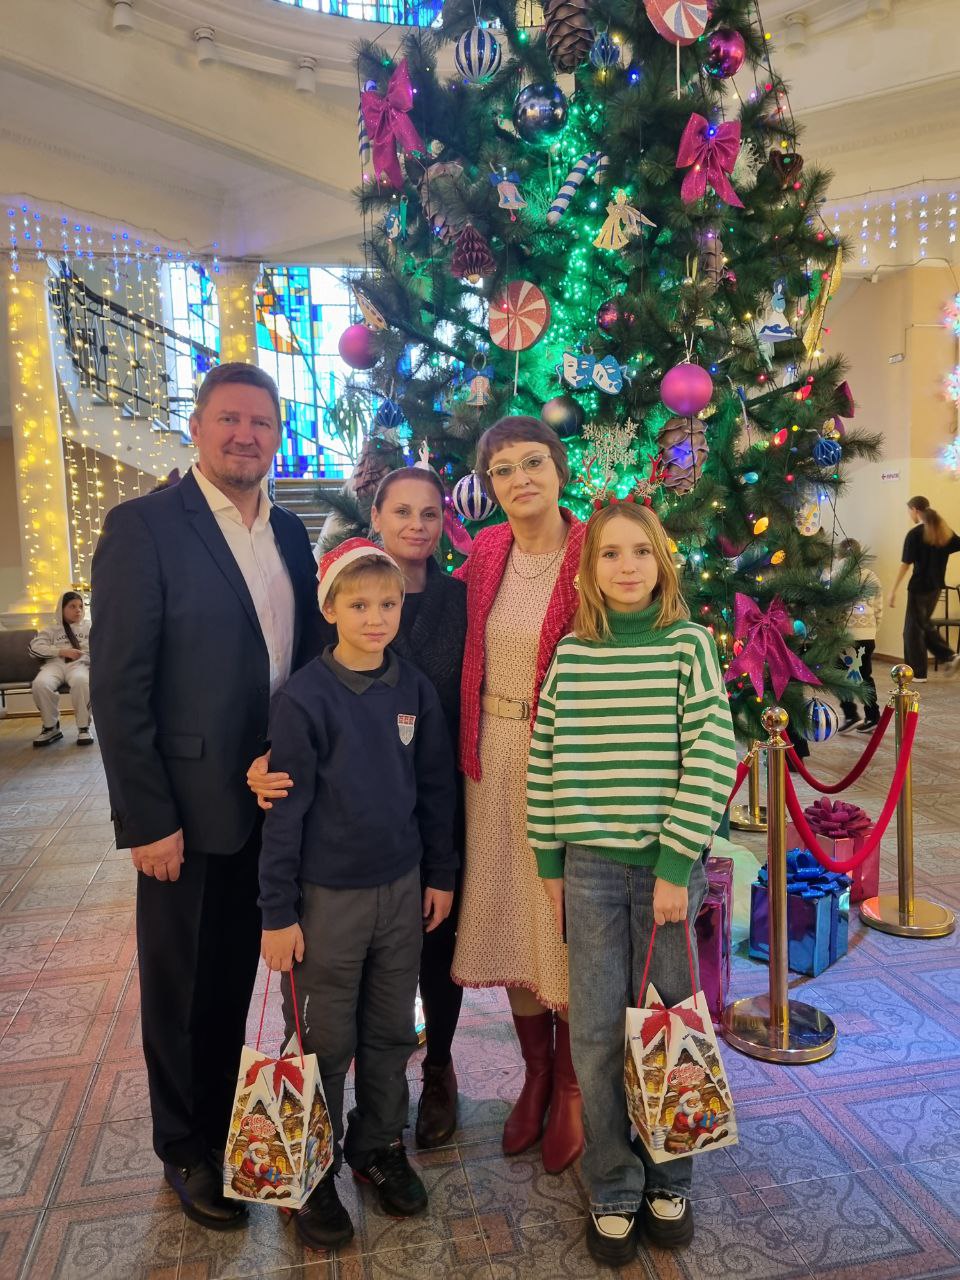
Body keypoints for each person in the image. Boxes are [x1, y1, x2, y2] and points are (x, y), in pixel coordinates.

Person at [90, 362, 321, 1231]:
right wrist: (148, 819)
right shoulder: (144, 527)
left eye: (261, 422)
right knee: (183, 988)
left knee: (233, 981)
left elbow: (302, 661)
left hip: (274, 800)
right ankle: (185, 1145)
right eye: (229, 418)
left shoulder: (290, 531)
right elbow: (119, 688)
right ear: (197, 426)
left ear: (277, 435)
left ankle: (228, 1118)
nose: (245, 435)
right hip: (186, 813)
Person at [527, 503, 736, 1265]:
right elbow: (545, 756)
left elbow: (712, 751)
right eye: (610, 553)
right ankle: (613, 1181)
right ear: (590, 570)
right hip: (587, 868)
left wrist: (676, 864)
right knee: (593, 1029)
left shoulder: (688, 646)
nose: (626, 566)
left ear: (662, 563)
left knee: (669, 1022)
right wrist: (550, 865)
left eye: (641, 552)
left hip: (662, 873)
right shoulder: (574, 654)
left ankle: (668, 1175)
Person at [248, 465, 468, 1149]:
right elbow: (288, 809)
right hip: (329, 891)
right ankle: (310, 1161)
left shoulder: (419, 683)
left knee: (391, 1027)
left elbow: (435, 786)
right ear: (332, 610)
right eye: (360, 606)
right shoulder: (306, 696)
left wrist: (440, 870)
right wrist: (277, 910)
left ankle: (379, 1144)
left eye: (388, 606)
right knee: (323, 1032)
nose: (376, 618)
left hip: (403, 880)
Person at [452, 416, 586, 1175]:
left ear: (560, 469)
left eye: (533, 462)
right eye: (502, 470)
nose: (519, 479)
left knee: (560, 922)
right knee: (508, 915)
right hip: (491, 759)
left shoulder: (593, 549)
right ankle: (535, 1074)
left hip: (564, 764)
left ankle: (571, 1084)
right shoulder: (486, 552)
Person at [889, 496, 960, 681]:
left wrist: (892, 590)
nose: (909, 515)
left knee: (915, 629)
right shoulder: (943, 531)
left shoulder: (914, 534)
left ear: (915, 510)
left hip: (919, 588)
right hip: (936, 588)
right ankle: (929, 666)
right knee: (916, 628)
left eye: (909, 511)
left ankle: (939, 661)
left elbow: (905, 565)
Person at [29, 590, 93, 747]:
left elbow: (102, 647)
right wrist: (61, 651)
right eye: (72, 606)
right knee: (40, 684)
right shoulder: (51, 629)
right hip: (55, 664)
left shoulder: (89, 627)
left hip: (79, 664)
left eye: (80, 606)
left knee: (81, 681)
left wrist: (85, 656)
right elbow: (34, 648)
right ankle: (51, 727)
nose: (78, 610)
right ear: (61, 609)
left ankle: (83, 727)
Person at [835, 539, 883, 734]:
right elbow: (878, 608)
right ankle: (872, 716)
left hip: (843, 635)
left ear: (839, 555)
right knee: (865, 676)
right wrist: (872, 630)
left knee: (839, 676)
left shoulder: (835, 575)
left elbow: (831, 607)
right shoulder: (871, 576)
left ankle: (851, 714)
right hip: (867, 635)